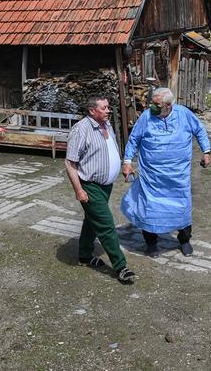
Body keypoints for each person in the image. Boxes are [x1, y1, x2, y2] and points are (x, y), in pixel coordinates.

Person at [120, 87, 211, 257]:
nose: (152, 107)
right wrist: (127, 162)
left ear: (168, 105)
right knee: (150, 210)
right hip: (152, 177)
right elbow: (134, 140)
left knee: (181, 209)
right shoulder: (146, 117)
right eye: (151, 103)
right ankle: (151, 244)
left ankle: (184, 240)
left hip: (178, 178)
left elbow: (199, 130)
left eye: (156, 104)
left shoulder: (184, 114)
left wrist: (206, 151)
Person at [65, 95, 135, 285]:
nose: (108, 110)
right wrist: (79, 190)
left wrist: (121, 166)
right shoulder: (81, 130)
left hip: (106, 186)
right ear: (92, 110)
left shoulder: (106, 125)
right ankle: (121, 267)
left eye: (108, 107)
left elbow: (109, 151)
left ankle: (85, 256)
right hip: (90, 185)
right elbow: (70, 163)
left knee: (92, 220)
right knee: (106, 225)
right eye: (103, 108)